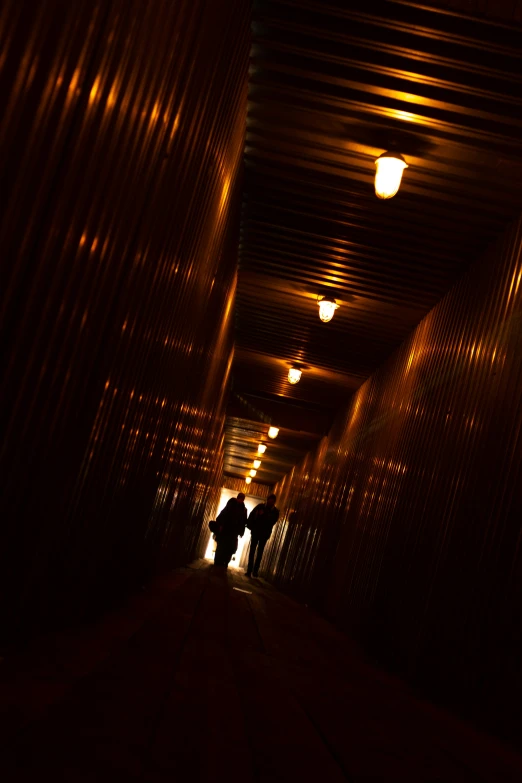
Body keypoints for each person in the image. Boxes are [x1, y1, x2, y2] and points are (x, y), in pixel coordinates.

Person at [246, 493, 279, 577]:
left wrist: (263, 515)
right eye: (269, 501)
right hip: (257, 531)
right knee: (253, 551)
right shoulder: (260, 507)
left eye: (271, 501)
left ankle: (255, 571)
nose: (270, 503)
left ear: (274, 502)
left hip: (264, 534)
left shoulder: (275, 511)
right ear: (267, 500)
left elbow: (272, 521)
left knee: (259, 552)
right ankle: (250, 570)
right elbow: (252, 515)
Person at [214, 493, 247, 568]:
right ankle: (223, 562)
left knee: (224, 547)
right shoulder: (241, 508)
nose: (241, 500)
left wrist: (221, 524)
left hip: (228, 530)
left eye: (242, 499)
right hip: (230, 530)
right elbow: (243, 521)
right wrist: (241, 531)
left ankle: (220, 562)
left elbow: (224, 514)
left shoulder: (234, 505)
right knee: (227, 547)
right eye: (241, 498)